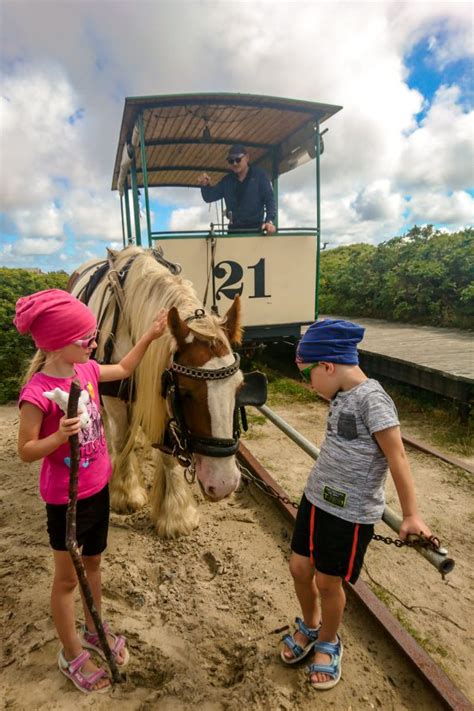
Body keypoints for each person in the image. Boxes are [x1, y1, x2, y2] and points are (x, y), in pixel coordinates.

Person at [14, 288, 168, 694]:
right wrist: (58, 438)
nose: (94, 344)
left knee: (94, 566)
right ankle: (70, 652)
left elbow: (123, 368)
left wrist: (150, 336)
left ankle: (94, 629)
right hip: (65, 502)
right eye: (86, 340)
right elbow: (26, 451)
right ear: (59, 344)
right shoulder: (37, 394)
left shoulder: (86, 371)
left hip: (97, 489)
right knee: (66, 581)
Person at [280, 319, 431, 690]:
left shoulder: (373, 400)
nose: (308, 385)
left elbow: (398, 457)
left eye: (307, 375)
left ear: (328, 366)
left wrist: (410, 515)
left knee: (328, 580)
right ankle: (310, 625)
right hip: (315, 499)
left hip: (349, 514)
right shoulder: (339, 395)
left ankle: (329, 641)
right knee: (300, 567)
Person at [198, 144, 277, 234]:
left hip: (256, 231)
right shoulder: (226, 181)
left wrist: (269, 221)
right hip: (234, 232)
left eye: (238, 159)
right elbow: (209, 197)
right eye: (231, 161)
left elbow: (270, 200)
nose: (234, 163)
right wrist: (204, 184)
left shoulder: (260, 176)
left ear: (247, 158)